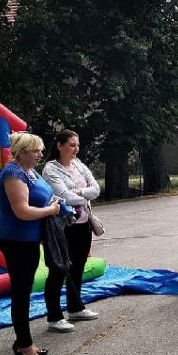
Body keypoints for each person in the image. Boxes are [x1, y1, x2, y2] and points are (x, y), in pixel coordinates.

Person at [0, 132, 60, 355]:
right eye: (36, 150)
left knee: (25, 289)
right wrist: (51, 211)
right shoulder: (14, 173)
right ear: (22, 153)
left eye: (40, 150)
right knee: (21, 292)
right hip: (15, 239)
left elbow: (41, 197)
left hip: (28, 239)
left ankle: (23, 341)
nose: (40, 154)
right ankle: (24, 346)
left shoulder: (29, 171)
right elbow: (22, 211)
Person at [42, 129, 101, 332]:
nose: (76, 149)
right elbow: (65, 197)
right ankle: (54, 316)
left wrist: (80, 192)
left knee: (78, 266)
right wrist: (84, 196)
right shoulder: (51, 169)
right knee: (59, 269)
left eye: (77, 145)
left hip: (83, 223)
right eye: (72, 145)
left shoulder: (79, 165)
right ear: (60, 146)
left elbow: (96, 189)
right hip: (63, 226)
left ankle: (75, 307)